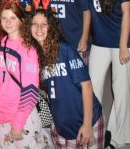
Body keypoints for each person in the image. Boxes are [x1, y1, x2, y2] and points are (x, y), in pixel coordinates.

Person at [83, 0, 130, 147]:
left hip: (123, 42)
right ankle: (96, 130)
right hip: (100, 42)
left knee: (120, 89)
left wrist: (123, 46)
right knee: (92, 87)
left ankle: (117, 137)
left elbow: (128, 11)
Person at [28, 9, 104, 149]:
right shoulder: (36, 56)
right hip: (61, 127)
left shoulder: (65, 49)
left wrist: (87, 125)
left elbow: (87, 87)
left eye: (44, 24)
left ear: (51, 27)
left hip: (87, 121)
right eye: (34, 24)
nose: (39, 28)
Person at [0, 1, 45, 149]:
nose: (8, 22)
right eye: (4, 18)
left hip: (20, 116)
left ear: (22, 20)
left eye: (13, 18)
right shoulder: (4, 41)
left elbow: (31, 90)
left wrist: (18, 123)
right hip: (1, 110)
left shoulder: (27, 50)